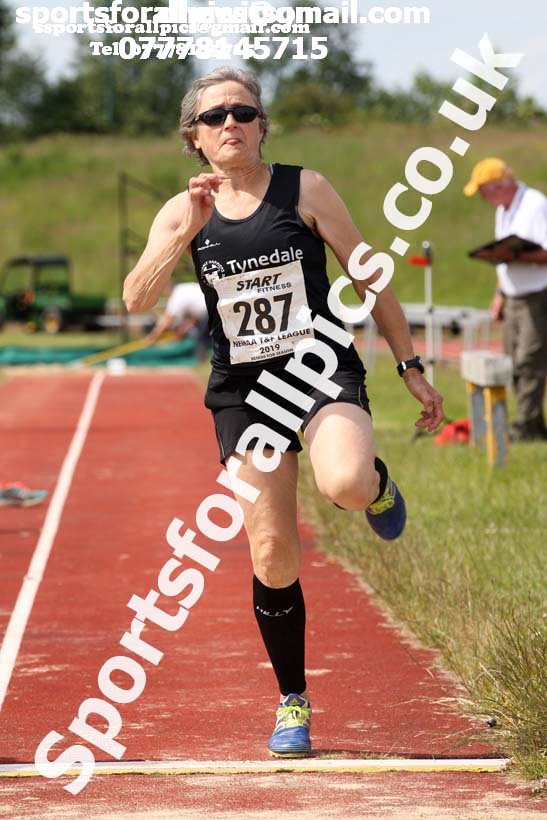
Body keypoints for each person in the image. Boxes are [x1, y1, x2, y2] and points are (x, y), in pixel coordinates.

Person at [123, 67, 444, 758]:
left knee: (345, 486)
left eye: (243, 112)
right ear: (195, 138)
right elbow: (136, 300)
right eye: (214, 118)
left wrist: (409, 367)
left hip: (318, 369)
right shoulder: (185, 210)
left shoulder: (306, 189)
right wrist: (185, 232)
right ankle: (293, 699)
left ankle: (378, 483)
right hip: (243, 390)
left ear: (262, 125)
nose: (230, 124)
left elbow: (370, 278)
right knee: (270, 550)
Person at [464, 158, 547, 441]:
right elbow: (505, 256)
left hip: (539, 296)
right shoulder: (503, 209)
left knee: (530, 361)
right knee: (513, 362)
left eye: (484, 191)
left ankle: (526, 427)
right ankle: (532, 425)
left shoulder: (535, 205)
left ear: (500, 185)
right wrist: (499, 295)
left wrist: (516, 256)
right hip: (514, 296)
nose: (483, 197)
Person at [147, 280, 210, 359]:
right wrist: (181, 331)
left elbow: (168, 319)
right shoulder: (184, 289)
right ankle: (202, 357)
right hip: (211, 307)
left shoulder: (177, 295)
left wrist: (153, 336)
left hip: (209, 311)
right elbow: (194, 319)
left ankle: (200, 358)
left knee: (202, 338)